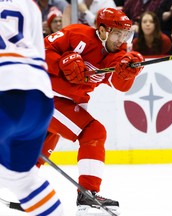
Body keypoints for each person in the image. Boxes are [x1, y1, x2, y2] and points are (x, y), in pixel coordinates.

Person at [38, 7, 144, 215]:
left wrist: (128, 72)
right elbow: (38, 52)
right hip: (44, 95)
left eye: (125, 34)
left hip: (67, 103)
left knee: (39, 150)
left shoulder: (117, 55)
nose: (121, 39)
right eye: (117, 33)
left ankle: (22, 187)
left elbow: (119, 84)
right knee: (93, 132)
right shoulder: (77, 34)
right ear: (103, 31)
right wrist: (60, 64)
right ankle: (88, 195)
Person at [0, 0, 63, 216]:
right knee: (20, 179)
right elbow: (39, 54)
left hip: (4, 90)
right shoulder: (29, 5)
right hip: (40, 98)